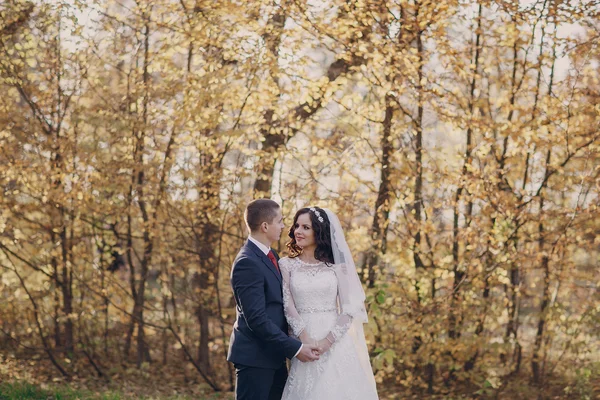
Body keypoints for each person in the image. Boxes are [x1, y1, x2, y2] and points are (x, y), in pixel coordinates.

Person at [279, 206, 379, 400]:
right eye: (297, 226)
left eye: (306, 227)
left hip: (335, 342)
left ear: (319, 231)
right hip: (302, 341)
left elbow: (349, 309)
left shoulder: (337, 268)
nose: (298, 231)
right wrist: (305, 339)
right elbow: (287, 304)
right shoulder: (286, 265)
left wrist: (327, 342)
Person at [227, 199, 320, 400]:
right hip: (255, 360)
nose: (284, 226)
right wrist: (295, 348)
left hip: (274, 356)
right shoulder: (247, 263)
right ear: (265, 226)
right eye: (280, 221)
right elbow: (257, 319)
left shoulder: (271, 255)